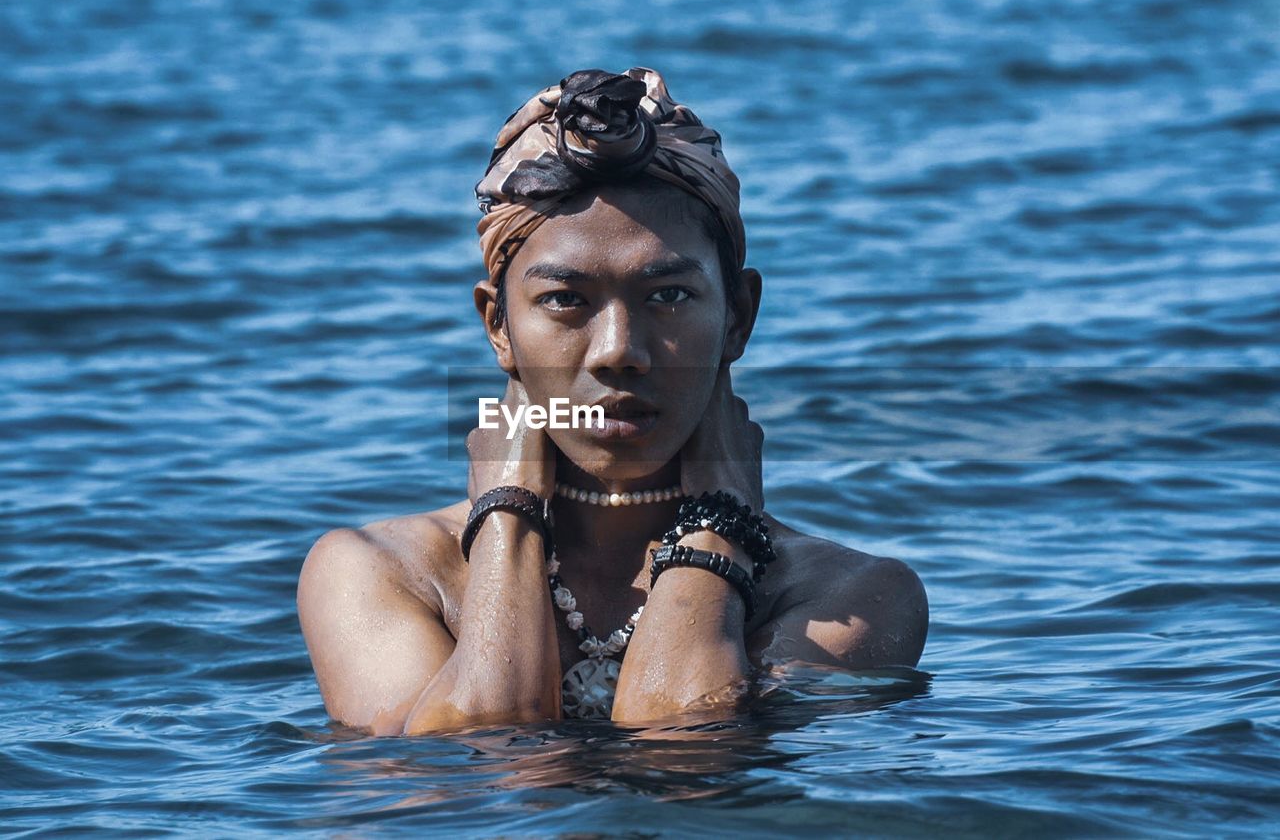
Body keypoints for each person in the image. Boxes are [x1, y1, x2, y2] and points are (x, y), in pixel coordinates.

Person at [297, 67, 928, 736]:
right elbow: (472, 774)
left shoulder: (853, 597)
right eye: (566, 300)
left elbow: (685, 757)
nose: (618, 350)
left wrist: (719, 519)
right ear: (498, 326)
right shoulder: (378, 573)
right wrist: (507, 512)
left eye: (668, 296)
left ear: (739, 315)